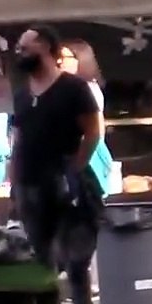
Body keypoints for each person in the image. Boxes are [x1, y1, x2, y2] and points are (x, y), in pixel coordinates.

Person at [9, 24, 102, 304]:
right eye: (18, 48)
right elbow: (18, 139)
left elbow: (93, 132)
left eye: (25, 47)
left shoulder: (74, 88)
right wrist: (13, 181)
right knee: (39, 259)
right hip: (29, 185)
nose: (19, 52)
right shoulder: (22, 94)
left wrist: (76, 166)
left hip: (66, 183)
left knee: (75, 258)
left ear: (46, 47)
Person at [60, 39, 115, 198]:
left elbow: (92, 132)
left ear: (80, 60)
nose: (59, 62)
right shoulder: (71, 88)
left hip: (86, 156)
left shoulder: (86, 89)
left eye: (64, 58)